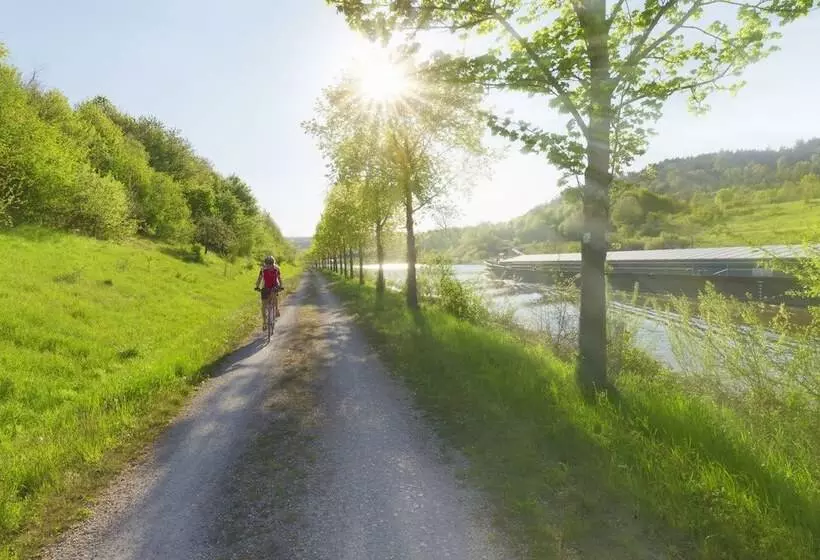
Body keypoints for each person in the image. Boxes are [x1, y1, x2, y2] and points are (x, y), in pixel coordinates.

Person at [254, 255, 282, 329]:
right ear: (265, 264)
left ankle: (276, 310)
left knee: (274, 295)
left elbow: (279, 278)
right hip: (266, 286)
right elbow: (259, 279)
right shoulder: (263, 269)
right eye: (267, 264)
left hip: (274, 285)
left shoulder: (277, 268)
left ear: (273, 263)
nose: (269, 266)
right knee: (263, 305)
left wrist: (281, 286)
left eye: (271, 264)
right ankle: (264, 322)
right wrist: (257, 286)